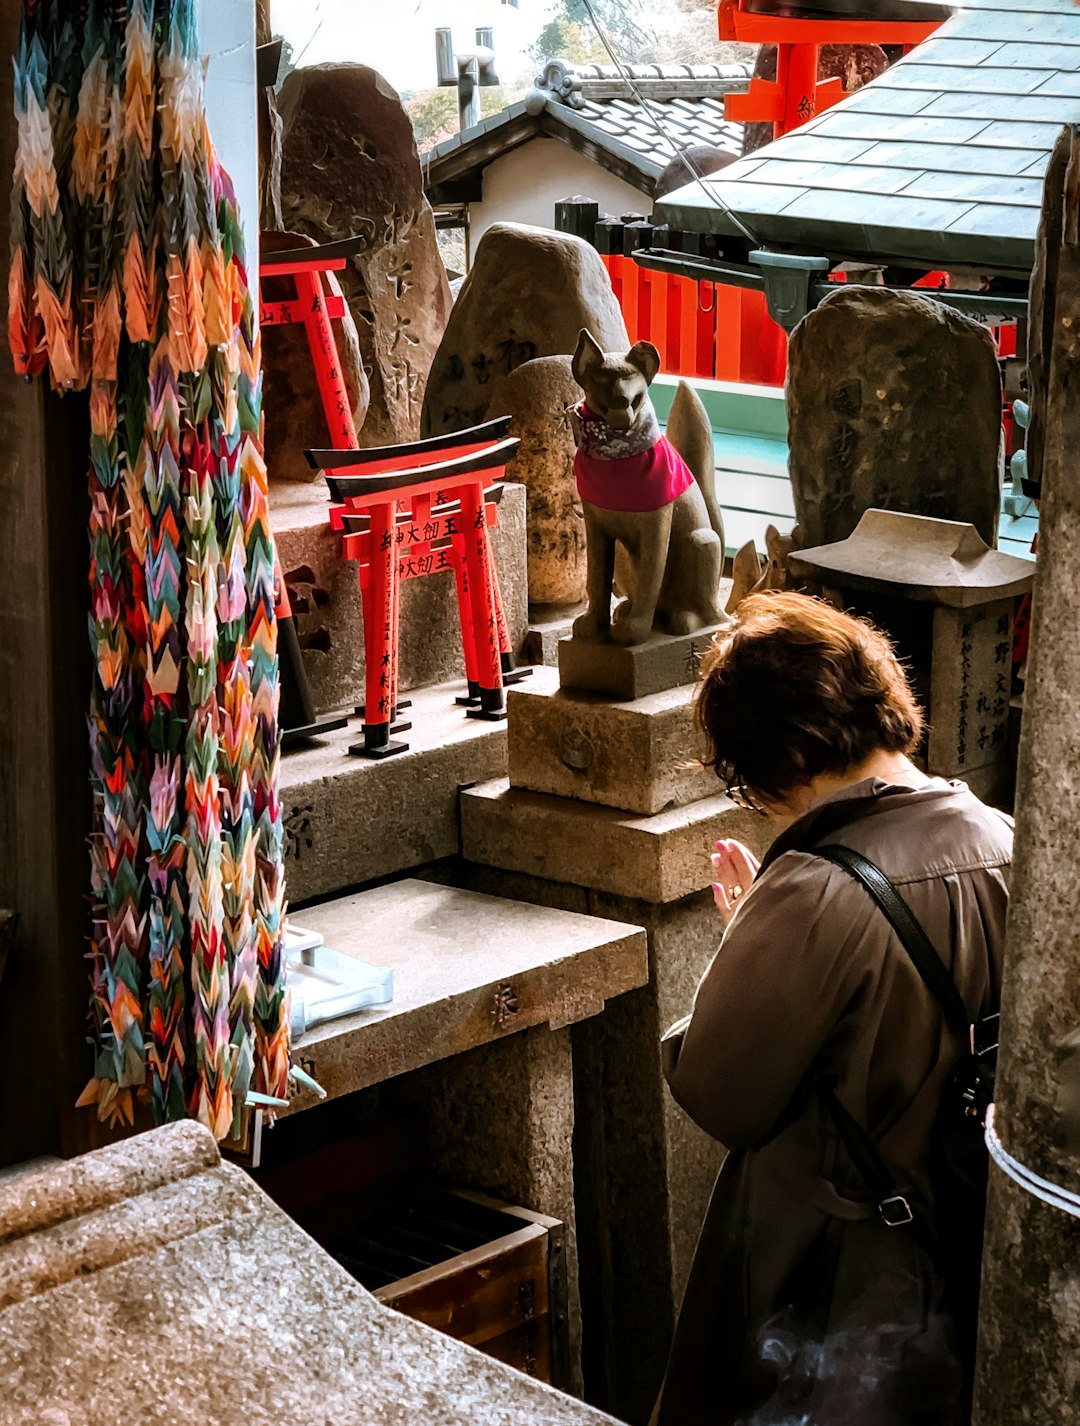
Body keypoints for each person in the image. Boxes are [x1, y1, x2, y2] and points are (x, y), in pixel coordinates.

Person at [654, 591, 1011, 1426]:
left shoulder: (817, 888)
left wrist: (745, 939)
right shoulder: (1005, 836)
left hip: (841, 1282)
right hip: (976, 1245)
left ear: (785, 755)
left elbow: (721, 1093)